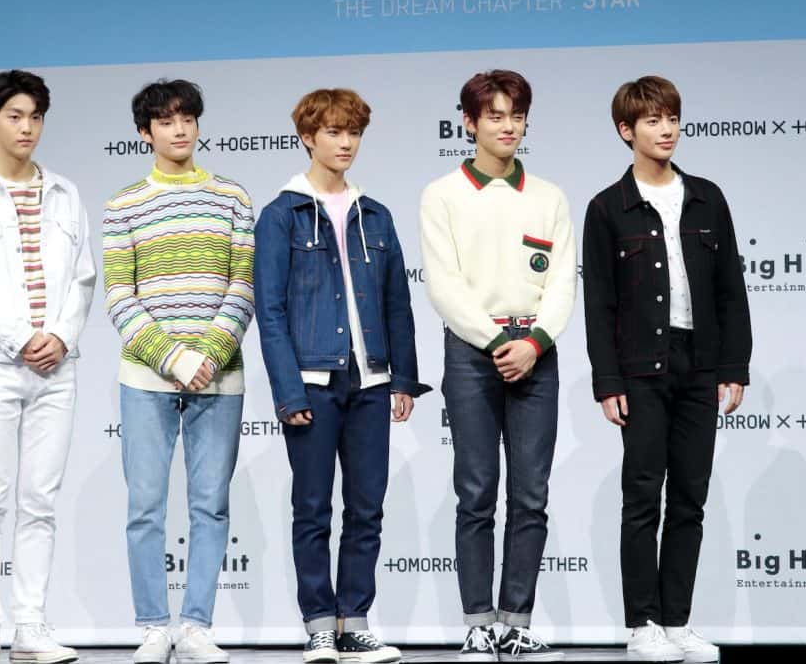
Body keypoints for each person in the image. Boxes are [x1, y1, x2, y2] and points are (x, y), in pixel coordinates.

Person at [254, 88, 430, 663]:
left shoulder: (374, 214)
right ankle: (318, 625)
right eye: (333, 131)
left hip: (371, 381)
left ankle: (354, 621)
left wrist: (402, 378)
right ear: (308, 137)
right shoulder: (281, 215)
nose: (346, 142)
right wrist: (287, 390)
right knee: (312, 508)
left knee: (366, 507)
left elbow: (398, 302)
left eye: (353, 131)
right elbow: (270, 311)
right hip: (311, 380)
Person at [582, 75, 752, 663]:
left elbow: (731, 289)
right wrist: (608, 380)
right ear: (626, 131)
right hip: (641, 369)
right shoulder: (608, 207)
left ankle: (678, 621)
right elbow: (600, 303)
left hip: (700, 364)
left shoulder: (707, 197)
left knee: (689, 497)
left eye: (672, 118)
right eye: (653, 120)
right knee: (641, 496)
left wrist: (734, 366)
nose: (667, 130)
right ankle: (643, 624)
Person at [0, 69, 96, 664]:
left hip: (57, 366)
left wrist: (61, 336)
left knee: (39, 502)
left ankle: (30, 628)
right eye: (14, 116)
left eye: (35, 117)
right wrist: (21, 337)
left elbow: (83, 277)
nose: (26, 128)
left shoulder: (66, 193)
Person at [419, 69, 574, 662]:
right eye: (495, 116)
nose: (508, 126)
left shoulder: (549, 197)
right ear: (469, 122)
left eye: (517, 116)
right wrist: (495, 342)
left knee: (531, 495)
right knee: (477, 492)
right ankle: (478, 623)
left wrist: (534, 342)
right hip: (471, 353)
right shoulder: (442, 195)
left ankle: (516, 622)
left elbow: (562, 284)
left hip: (538, 351)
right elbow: (444, 285)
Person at [103, 78, 254, 664]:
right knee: (145, 506)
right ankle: (152, 626)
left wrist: (208, 354)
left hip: (220, 374)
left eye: (187, 118)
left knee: (210, 504)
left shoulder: (233, 197)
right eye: (166, 121)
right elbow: (120, 296)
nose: (180, 129)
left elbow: (242, 286)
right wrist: (173, 358)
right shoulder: (124, 204)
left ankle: (195, 626)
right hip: (147, 377)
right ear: (145, 133)